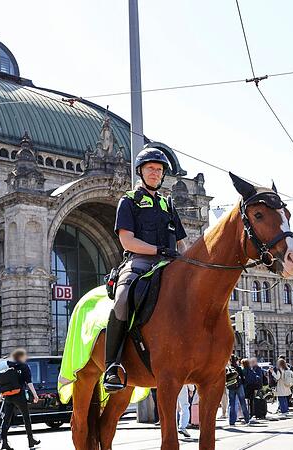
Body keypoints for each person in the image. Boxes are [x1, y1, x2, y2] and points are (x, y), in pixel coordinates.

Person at [104, 148, 188, 391]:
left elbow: (182, 243)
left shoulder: (167, 204)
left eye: (159, 170)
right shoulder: (128, 201)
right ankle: (112, 366)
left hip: (170, 264)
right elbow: (127, 241)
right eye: (151, 168)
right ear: (140, 171)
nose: (155, 173)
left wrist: (189, 262)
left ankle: (219, 363)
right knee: (122, 299)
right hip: (140, 262)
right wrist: (158, 250)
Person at [0, 348, 40, 450]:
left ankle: (4, 442)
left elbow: (5, 384)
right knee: (26, 418)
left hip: (8, 396)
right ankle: (30, 441)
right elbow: (29, 383)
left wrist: (0, 397)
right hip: (19, 396)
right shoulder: (24, 367)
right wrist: (35, 395)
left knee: (6, 419)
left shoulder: (9, 366)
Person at [226, 356, 254, 426]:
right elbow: (243, 378)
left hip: (231, 387)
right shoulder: (239, 368)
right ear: (236, 361)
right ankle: (247, 420)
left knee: (231, 404)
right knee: (243, 403)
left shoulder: (227, 369)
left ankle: (232, 422)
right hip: (239, 386)